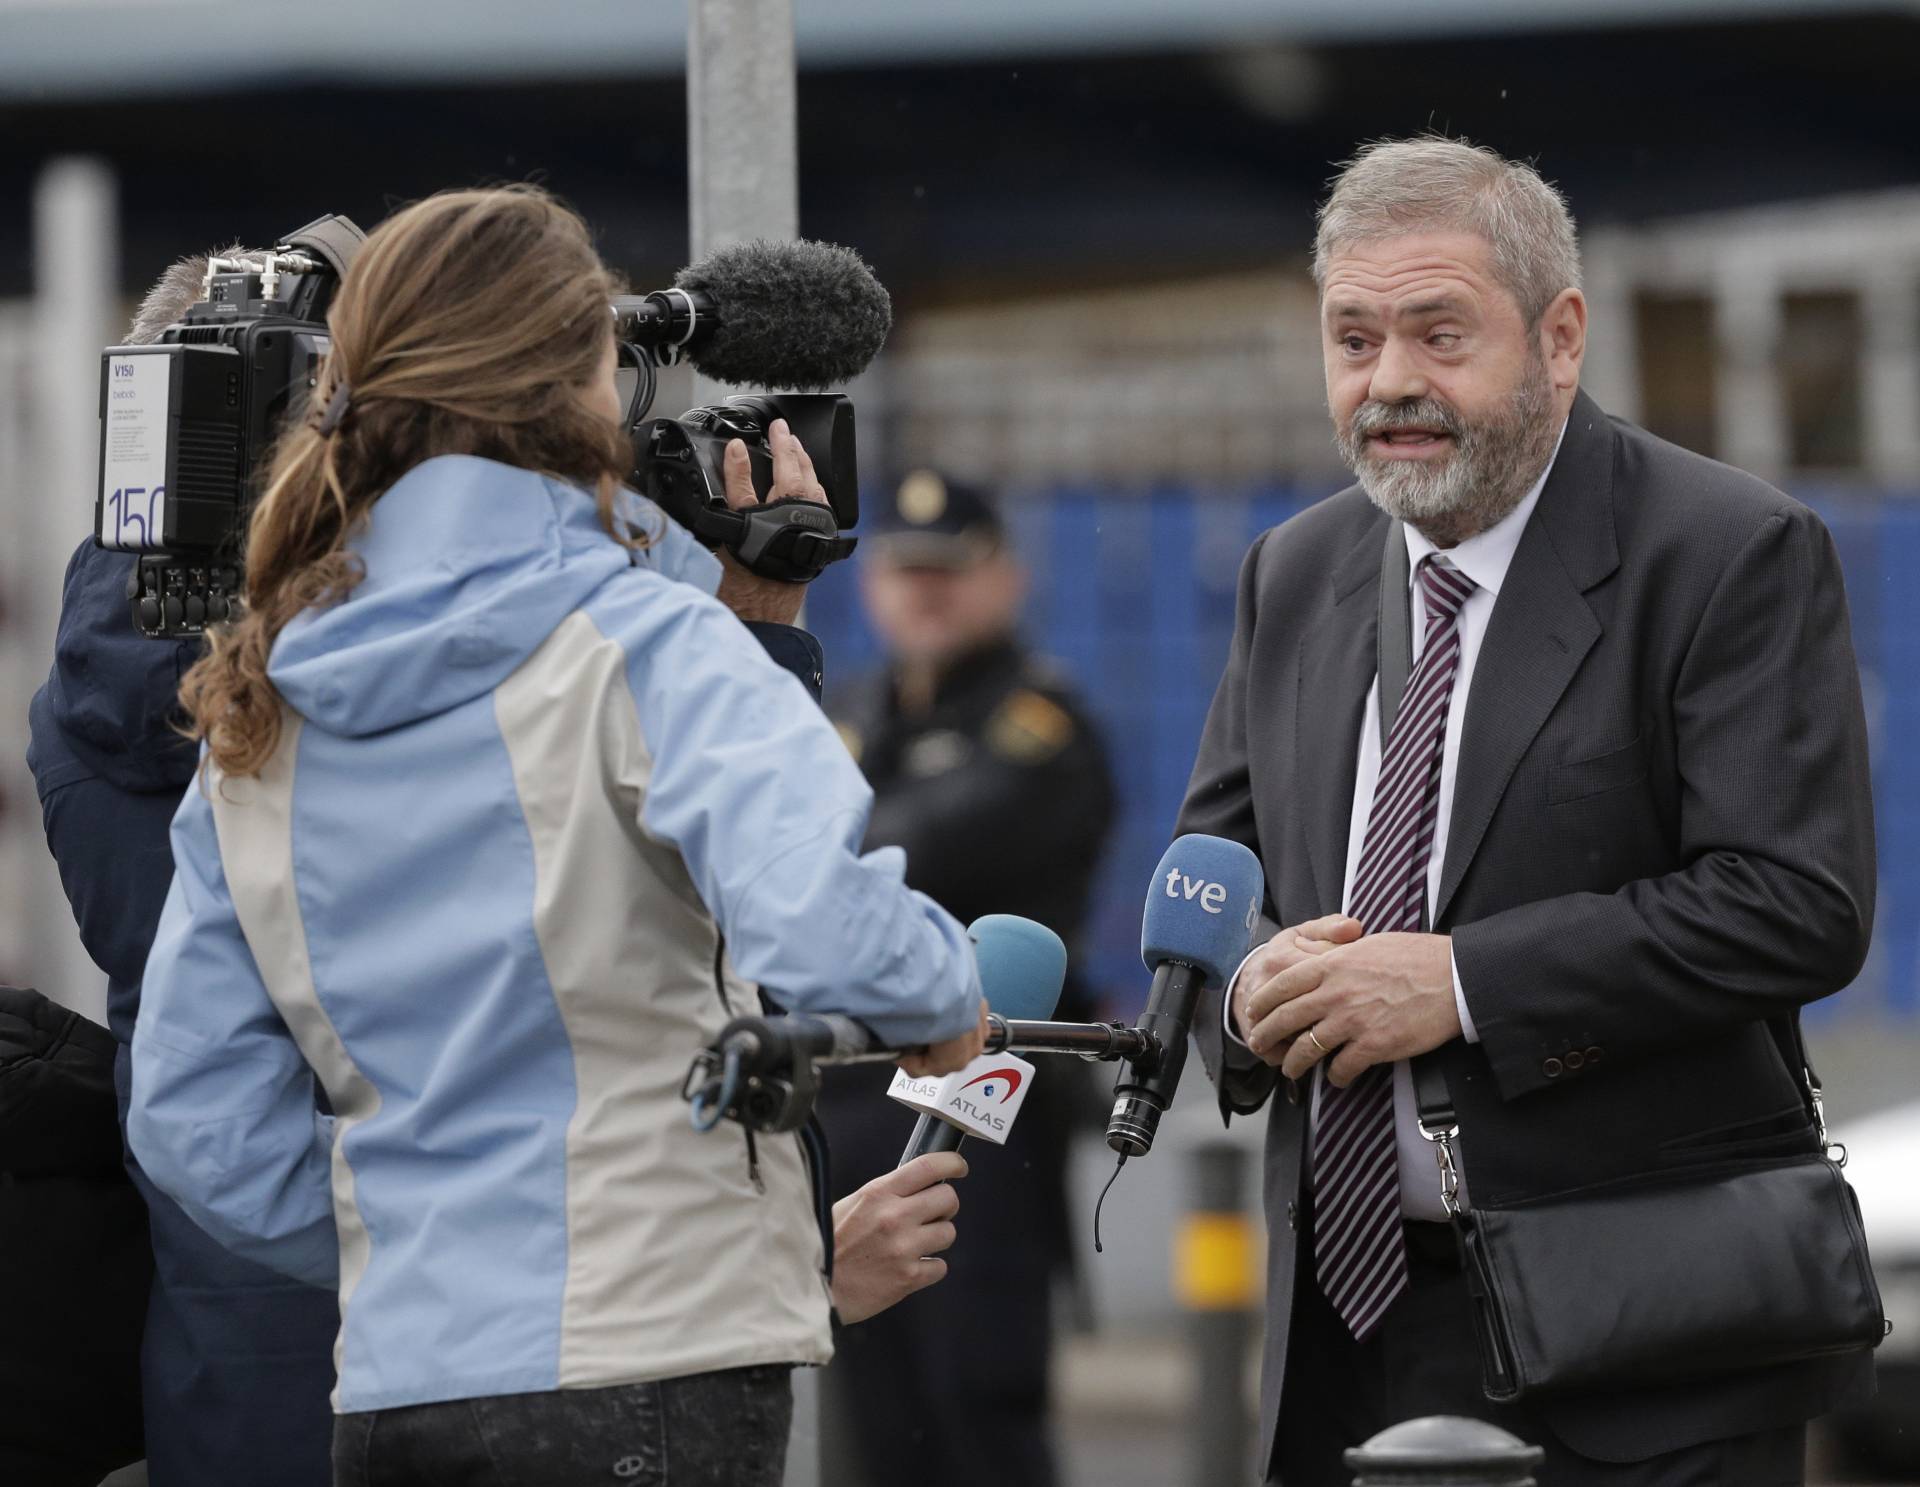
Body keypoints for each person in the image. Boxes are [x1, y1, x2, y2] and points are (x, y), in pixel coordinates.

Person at [121, 185, 989, 1487]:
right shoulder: (641, 638)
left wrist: (417, 1241)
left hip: (400, 1385)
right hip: (649, 1365)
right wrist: (944, 987)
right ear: (582, 388)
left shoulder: (253, 704)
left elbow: (196, 1121)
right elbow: (816, 920)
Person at [1177, 137, 1876, 1485]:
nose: (1390, 384)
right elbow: (1212, 874)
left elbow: (1797, 903)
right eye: (1354, 336)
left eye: (1442, 333)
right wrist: (1247, 980)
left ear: (1561, 338)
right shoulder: (1297, 568)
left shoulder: (1727, 551)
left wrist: (1462, 981)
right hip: (1348, 1333)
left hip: (1639, 1346)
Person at [817, 471, 1115, 1487]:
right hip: (846, 1096)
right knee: (869, 1415)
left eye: (951, 571)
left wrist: (812, 850)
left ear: (1006, 577)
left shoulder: (1041, 723)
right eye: (906, 570)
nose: (926, 592)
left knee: (975, 1395)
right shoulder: (850, 706)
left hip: (982, 1098)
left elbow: (903, 849)